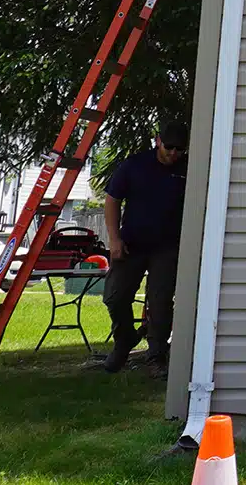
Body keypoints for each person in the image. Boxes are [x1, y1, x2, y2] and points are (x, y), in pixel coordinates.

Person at [101, 120, 189, 376]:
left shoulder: (188, 169)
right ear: (158, 141)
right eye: (169, 147)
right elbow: (112, 200)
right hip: (132, 243)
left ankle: (157, 355)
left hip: (168, 246)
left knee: (160, 302)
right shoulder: (135, 165)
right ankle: (125, 339)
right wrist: (114, 239)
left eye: (179, 149)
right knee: (115, 296)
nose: (173, 153)